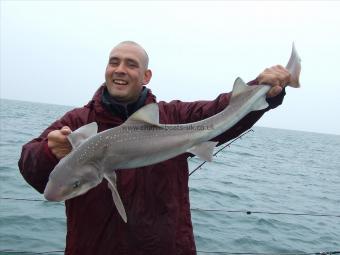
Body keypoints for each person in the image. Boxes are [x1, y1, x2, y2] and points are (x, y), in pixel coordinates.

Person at [18, 41, 291, 255]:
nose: (120, 69)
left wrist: (260, 87)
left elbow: (221, 114)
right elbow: (30, 164)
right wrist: (48, 152)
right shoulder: (78, 122)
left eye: (130, 64)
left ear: (146, 75)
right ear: (106, 70)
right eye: (114, 62)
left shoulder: (172, 117)